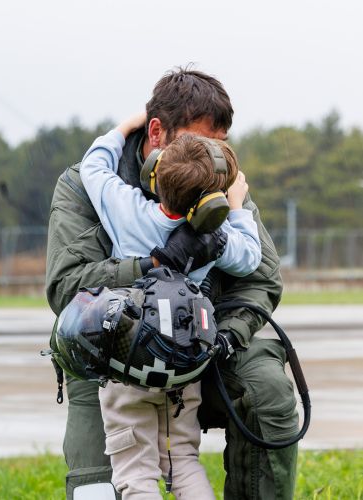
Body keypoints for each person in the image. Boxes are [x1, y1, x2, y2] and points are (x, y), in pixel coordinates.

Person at [46, 67, 297, 499]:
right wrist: (155, 264)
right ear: (157, 131)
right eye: (199, 145)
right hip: (111, 349)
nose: (212, 160)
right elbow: (68, 288)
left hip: (206, 344)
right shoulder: (85, 188)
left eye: (219, 148)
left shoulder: (220, 183)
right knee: (98, 491)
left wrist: (223, 340)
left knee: (267, 394)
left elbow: (261, 279)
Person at [79, 112, 261, 498]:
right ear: (212, 202)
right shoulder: (218, 235)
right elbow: (250, 258)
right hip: (183, 365)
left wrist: (125, 127)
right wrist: (237, 207)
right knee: (183, 460)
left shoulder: (126, 209)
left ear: (153, 174)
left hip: (128, 361)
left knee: (135, 468)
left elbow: (93, 165)